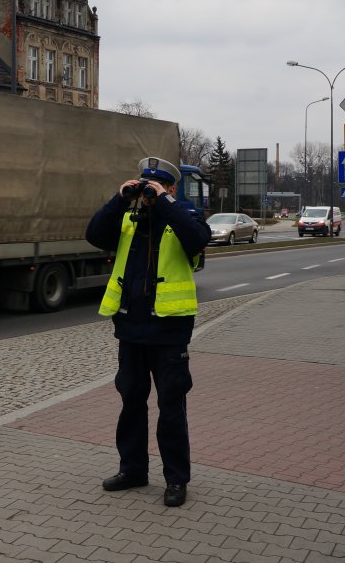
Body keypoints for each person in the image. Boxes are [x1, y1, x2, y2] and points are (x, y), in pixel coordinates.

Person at [86, 157, 210, 507]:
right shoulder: (128, 219)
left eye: (156, 186)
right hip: (130, 328)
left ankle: (176, 479)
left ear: (171, 188)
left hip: (169, 331)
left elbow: (199, 240)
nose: (148, 192)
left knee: (171, 405)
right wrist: (120, 197)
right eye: (145, 185)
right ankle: (133, 470)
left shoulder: (185, 218)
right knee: (131, 403)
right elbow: (94, 234)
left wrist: (166, 203)